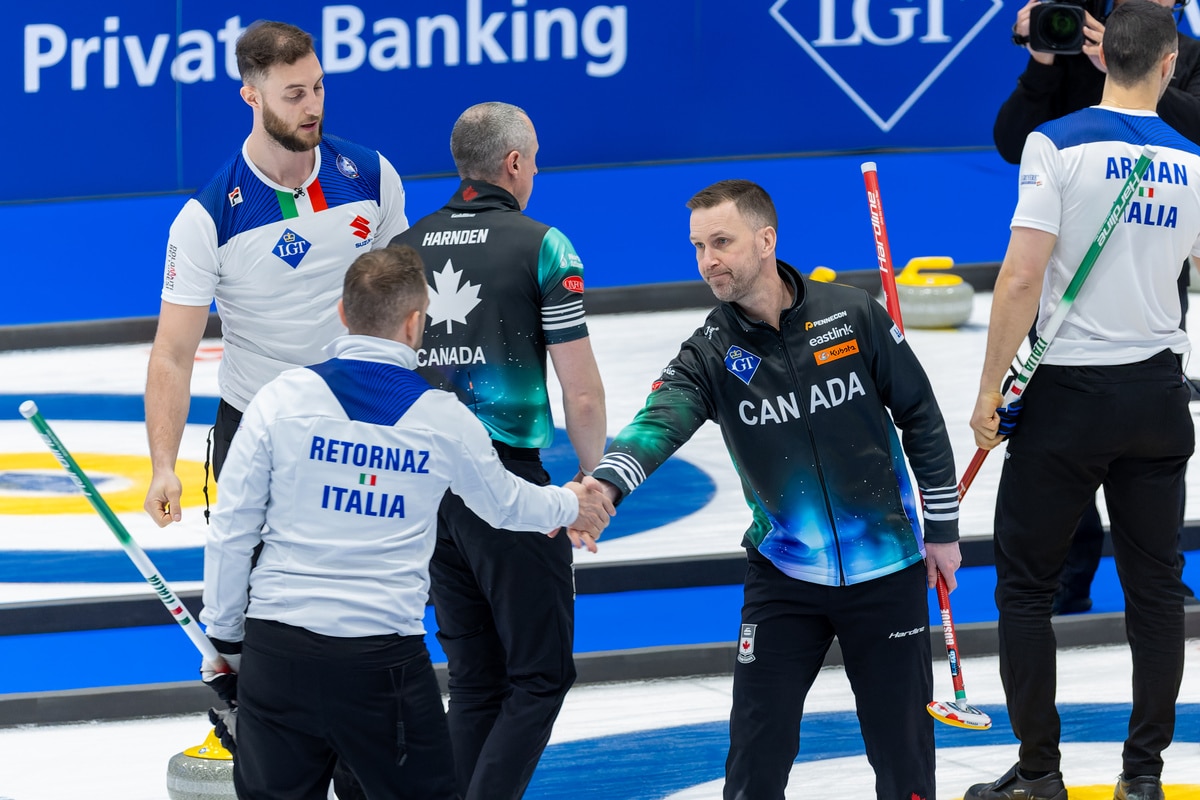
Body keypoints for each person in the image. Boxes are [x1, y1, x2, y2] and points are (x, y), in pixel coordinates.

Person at [583, 179, 961, 800]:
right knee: (757, 752)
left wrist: (942, 533)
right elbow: (659, 422)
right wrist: (605, 484)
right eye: (699, 246)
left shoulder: (853, 312)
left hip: (888, 567)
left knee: (904, 756)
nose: (709, 261)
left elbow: (920, 415)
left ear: (766, 240)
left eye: (722, 242)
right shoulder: (711, 350)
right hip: (784, 578)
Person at [197, 244, 614, 800]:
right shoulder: (443, 418)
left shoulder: (279, 400)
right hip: (381, 669)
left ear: (342, 314)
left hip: (279, 654)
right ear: (416, 323)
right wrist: (571, 503)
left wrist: (225, 636)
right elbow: (507, 505)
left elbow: (231, 528)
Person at [968, 4, 1200, 799]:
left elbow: (1021, 277)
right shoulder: (1195, 158)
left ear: (1104, 59)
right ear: (1169, 66)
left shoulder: (1055, 144)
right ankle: (1143, 777)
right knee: (1156, 592)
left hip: (1067, 395)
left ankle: (1039, 774)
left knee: (1025, 590)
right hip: (1158, 398)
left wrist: (989, 390)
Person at [388, 101, 606, 799]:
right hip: (508, 485)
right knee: (541, 676)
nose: (536, 170)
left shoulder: (405, 248)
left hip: (426, 494)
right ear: (513, 163)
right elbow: (583, 394)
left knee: (477, 679)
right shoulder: (543, 245)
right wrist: (590, 489)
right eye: (534, 158)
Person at [143, 19, 409, 526]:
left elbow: (402, 301)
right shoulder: (208, 218)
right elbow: (172, 354)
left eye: (318, 87)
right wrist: (163, 466)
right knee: (267, 601)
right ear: (252, 97)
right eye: (293, 95)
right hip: (260, 428)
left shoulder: (371, 175)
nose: (313, 107)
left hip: (359, 414)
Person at [997, 0, 1200, 612]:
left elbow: (1195, 131)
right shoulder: (1071, 40)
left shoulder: (1186, 57)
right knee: (1063, 435)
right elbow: (1013, 141)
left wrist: (1131, 79)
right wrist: (1042, 60)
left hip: (1153, 289)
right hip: (1062, 289)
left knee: (1145, 433)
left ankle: (1160, 571)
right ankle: (1068, 575)